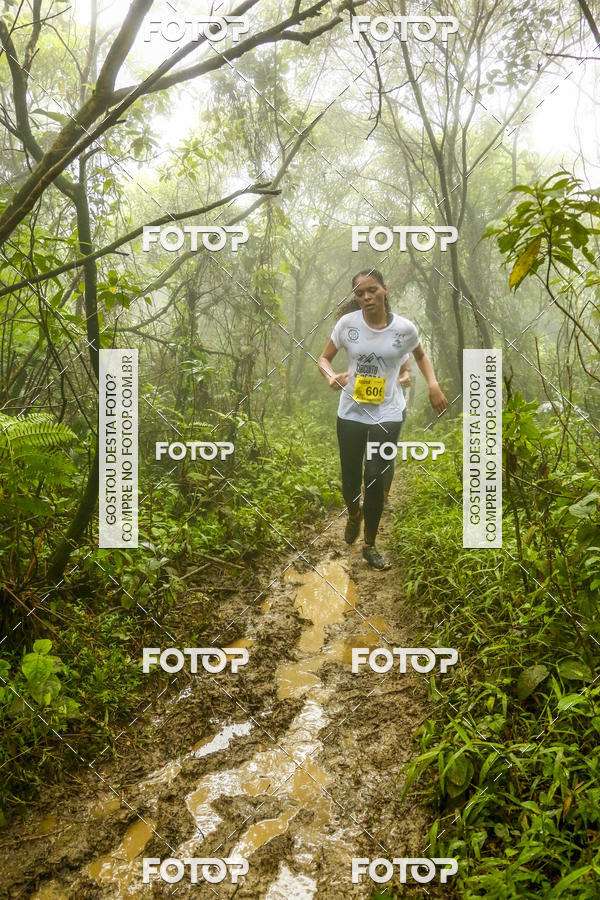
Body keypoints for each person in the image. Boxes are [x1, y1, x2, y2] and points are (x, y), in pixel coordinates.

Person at [317, 268, 448, 569]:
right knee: (350, 480)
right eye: (360, 293)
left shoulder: (404, 329)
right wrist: (330, 375)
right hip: (350, 411)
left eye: (372, 290)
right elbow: (324, 358)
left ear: (385, 289)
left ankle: (370, 545)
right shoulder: (346, 325)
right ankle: (354, 514)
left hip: (388, 412)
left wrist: (433, 384)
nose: (366, 297)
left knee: (374, 476)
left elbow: (420, 356)